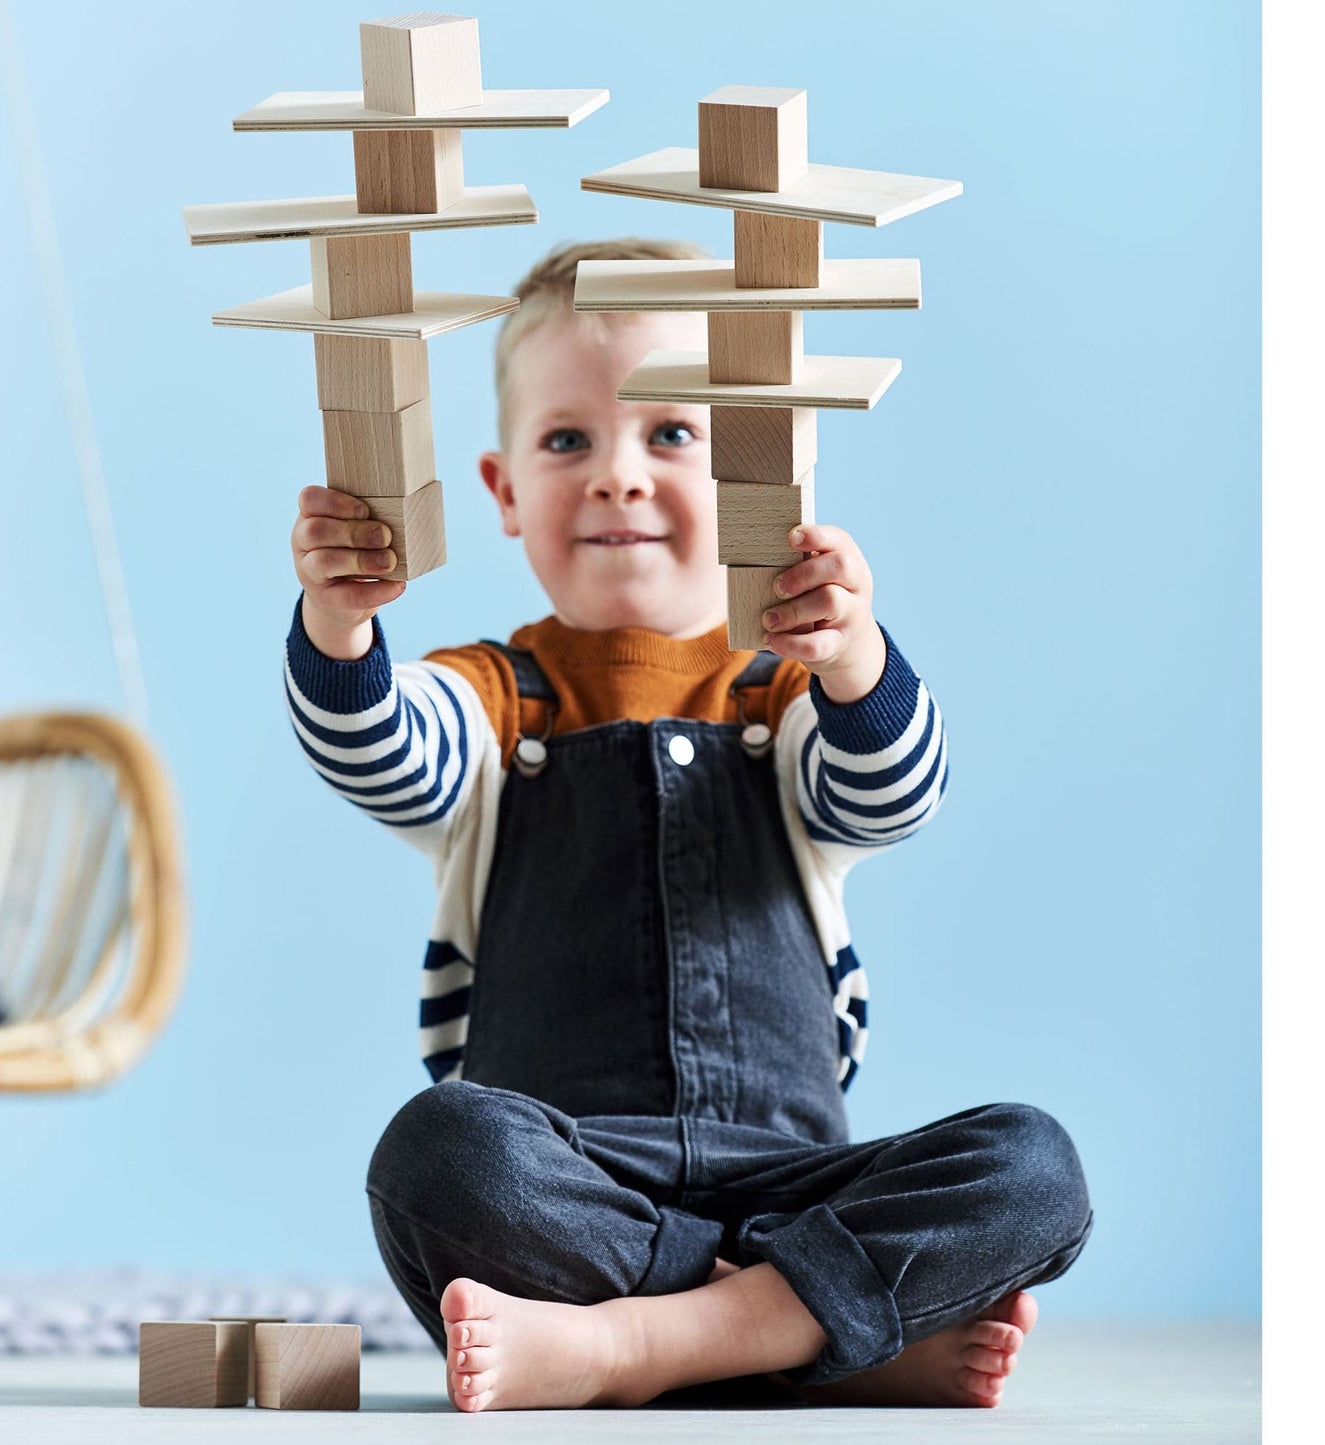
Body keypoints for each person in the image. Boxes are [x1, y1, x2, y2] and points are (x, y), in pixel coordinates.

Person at [284, 239, 1093, 1412]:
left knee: (1033, 1165)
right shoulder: (494, 696)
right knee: (438, 1156)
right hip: (575, 1179)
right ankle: (808, 1328)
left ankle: (628, 1347)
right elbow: (381, 752)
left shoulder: (781, 696)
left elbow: (891, 788)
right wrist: (340, 628)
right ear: (503, 490)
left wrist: (856, 657)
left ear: (759, 476)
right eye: (567, 439)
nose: (615, 473)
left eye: (670, 432)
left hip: (795, 1179)